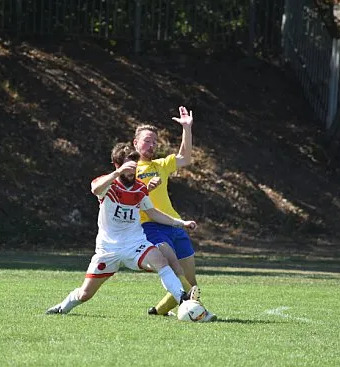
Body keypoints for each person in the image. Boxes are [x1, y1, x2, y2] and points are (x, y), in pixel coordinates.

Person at [45, 143, 210, 318]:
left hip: (135, 243)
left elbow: (152, 212)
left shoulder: (140, 188)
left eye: (134, 167)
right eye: (128, 168)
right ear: (117, 165)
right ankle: (63, 307)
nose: (132, 172)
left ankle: (184, 302)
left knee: (160, 260)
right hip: (108, 249)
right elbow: (95, 189)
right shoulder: (108, 185)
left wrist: (180, 223)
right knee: (85, 294)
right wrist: (117, 173)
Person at [133, 106, 217, 321]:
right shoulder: (129, 170)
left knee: (191, 281)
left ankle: (159, 311)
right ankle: (200, 313)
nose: (151, 145)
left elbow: (185, 157)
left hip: (174, 224)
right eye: (147, 141)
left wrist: (187, 129)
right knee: (176, 271)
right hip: (150, 226)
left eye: (154, 142)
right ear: (135, 143)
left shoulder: (161, 165)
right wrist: (146, 188)